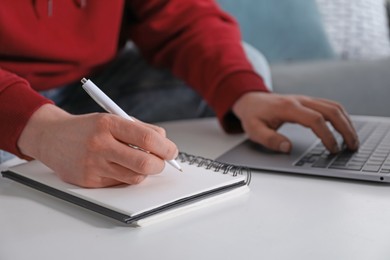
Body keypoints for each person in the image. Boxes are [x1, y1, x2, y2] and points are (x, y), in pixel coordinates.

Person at [0, 1, 359, 188]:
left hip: (91, 81)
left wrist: (244, 92)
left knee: (247, 65)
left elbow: (183, 16)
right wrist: (40, 130)